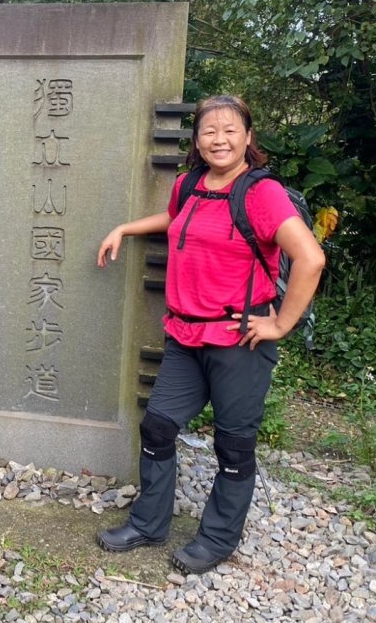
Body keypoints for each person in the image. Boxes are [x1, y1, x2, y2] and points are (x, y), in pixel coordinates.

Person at [94, 94, 325, 574]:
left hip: (240, 343)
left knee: (233, 446)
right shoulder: (189, 184)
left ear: (248, 137)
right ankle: (149, 524)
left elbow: (310, 257)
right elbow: (176, 220)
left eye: (230, 130)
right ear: (197, 140)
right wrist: (126, 228)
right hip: (185, 336)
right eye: (209, 131)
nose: (219, 139)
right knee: (158, 428)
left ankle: (217, 539)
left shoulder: (261, 193)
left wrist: (280, 323)